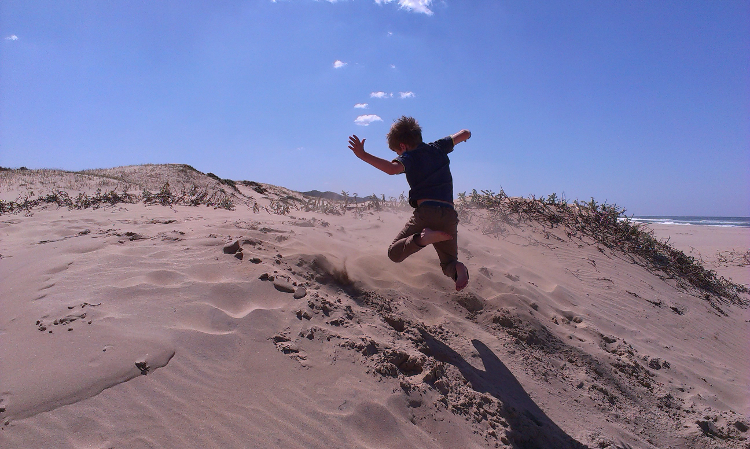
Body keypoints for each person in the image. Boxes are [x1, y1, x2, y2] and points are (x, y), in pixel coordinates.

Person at [348, 116, 471, 291]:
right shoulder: (438, 147)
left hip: (426, 212)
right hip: (449, 215)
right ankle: (458, 268)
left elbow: (392, 169)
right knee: (448, 264)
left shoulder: (409, 157)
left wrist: (363, 155)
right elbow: (464, 133)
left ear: (403, 146)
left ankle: (422, 239)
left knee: (394, 253)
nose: (398, 156)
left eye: (397, 153)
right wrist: (467, 135)